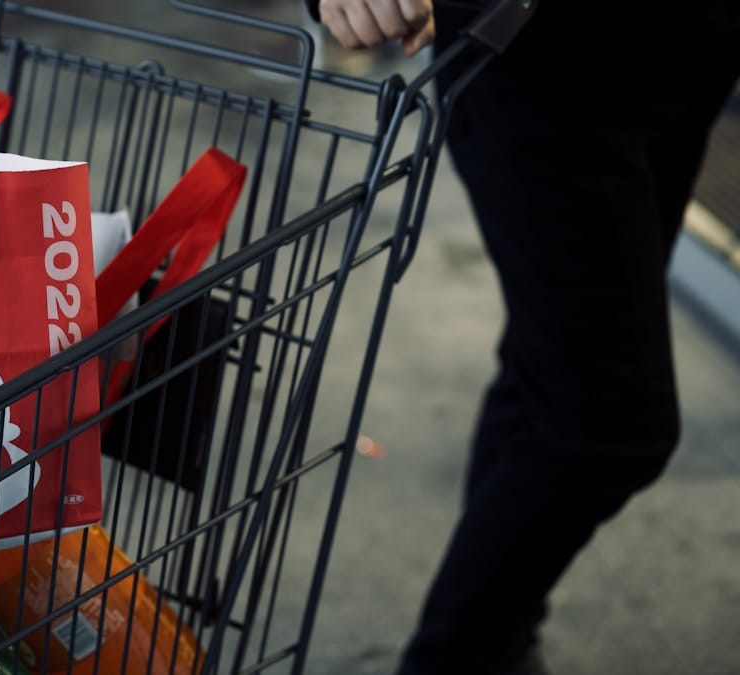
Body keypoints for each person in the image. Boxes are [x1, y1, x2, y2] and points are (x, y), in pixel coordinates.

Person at [305, 1, 740, 673]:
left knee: (553, 363)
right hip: (534, 61)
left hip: (684, 51)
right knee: (613, 423)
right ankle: (455, 657)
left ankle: (496, 640)